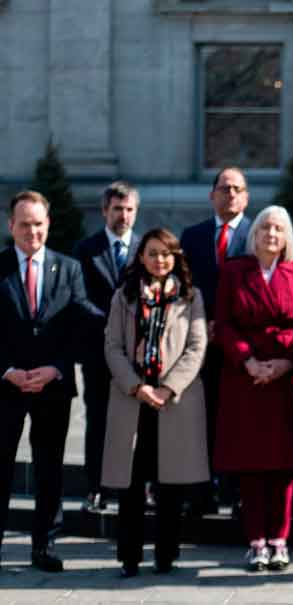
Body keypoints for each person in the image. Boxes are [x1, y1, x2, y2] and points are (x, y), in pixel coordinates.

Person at [101, 228, 209, 577]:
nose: (160, 260)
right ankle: (129, 557)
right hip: (133, 400)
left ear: (176, 257)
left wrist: (167, 388)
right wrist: (136, 386)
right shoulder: (124, 296)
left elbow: (196, 347)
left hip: (172, 401)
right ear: (141, 257)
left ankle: (166, 554)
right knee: (130, 484)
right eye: (152, 253)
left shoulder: (191, 297)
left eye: (167, 253)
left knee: (170, 484)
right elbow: (112, 347)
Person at [212, 206, 293, 572]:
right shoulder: (234, 271)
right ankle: (256, 541)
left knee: (284, 465)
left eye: (279, 229)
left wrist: (286, 363)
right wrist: (247, 360)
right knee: (251, 464)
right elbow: (222, 324)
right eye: (265, 228)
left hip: (287, 379)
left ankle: (279, 540)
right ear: (254, 234)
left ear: (288, 237)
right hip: (246, 379)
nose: (271, 234)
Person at [0, 190, 96, 572]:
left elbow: (78, 323)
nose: (32, 231)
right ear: (11, 226)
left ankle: (45, 546)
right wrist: (8, 370)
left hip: (53, 384)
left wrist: (56, 367)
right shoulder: (0, 266)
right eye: (24, 224)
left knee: (49, 468)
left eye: (38, 223)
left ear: (48, 224)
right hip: (5, 385)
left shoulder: (68, 268)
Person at [180, 166, 253, 513]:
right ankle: (202, 491)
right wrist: (199, 326)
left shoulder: (258, 235)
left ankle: (237, 491)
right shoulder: (192, 236)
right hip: (201, 345)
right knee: (202, 418)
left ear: (247, 196)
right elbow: (182, 288)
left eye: (238, 189)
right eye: (224, 188)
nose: (231, 195)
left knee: (240, 420)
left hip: (242, 346)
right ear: (212, 195)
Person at [72, 181, 141, 514]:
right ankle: (96, 489)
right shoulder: (86, 250)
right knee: (98, 420)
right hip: (98, 352)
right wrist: (113, 324)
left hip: (137, 355)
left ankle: (133, 487)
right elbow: (79, 298)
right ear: (104, 211)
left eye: (129, 210)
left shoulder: (146, 249)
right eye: (117, 209)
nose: (123, 216)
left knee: (135, 423)